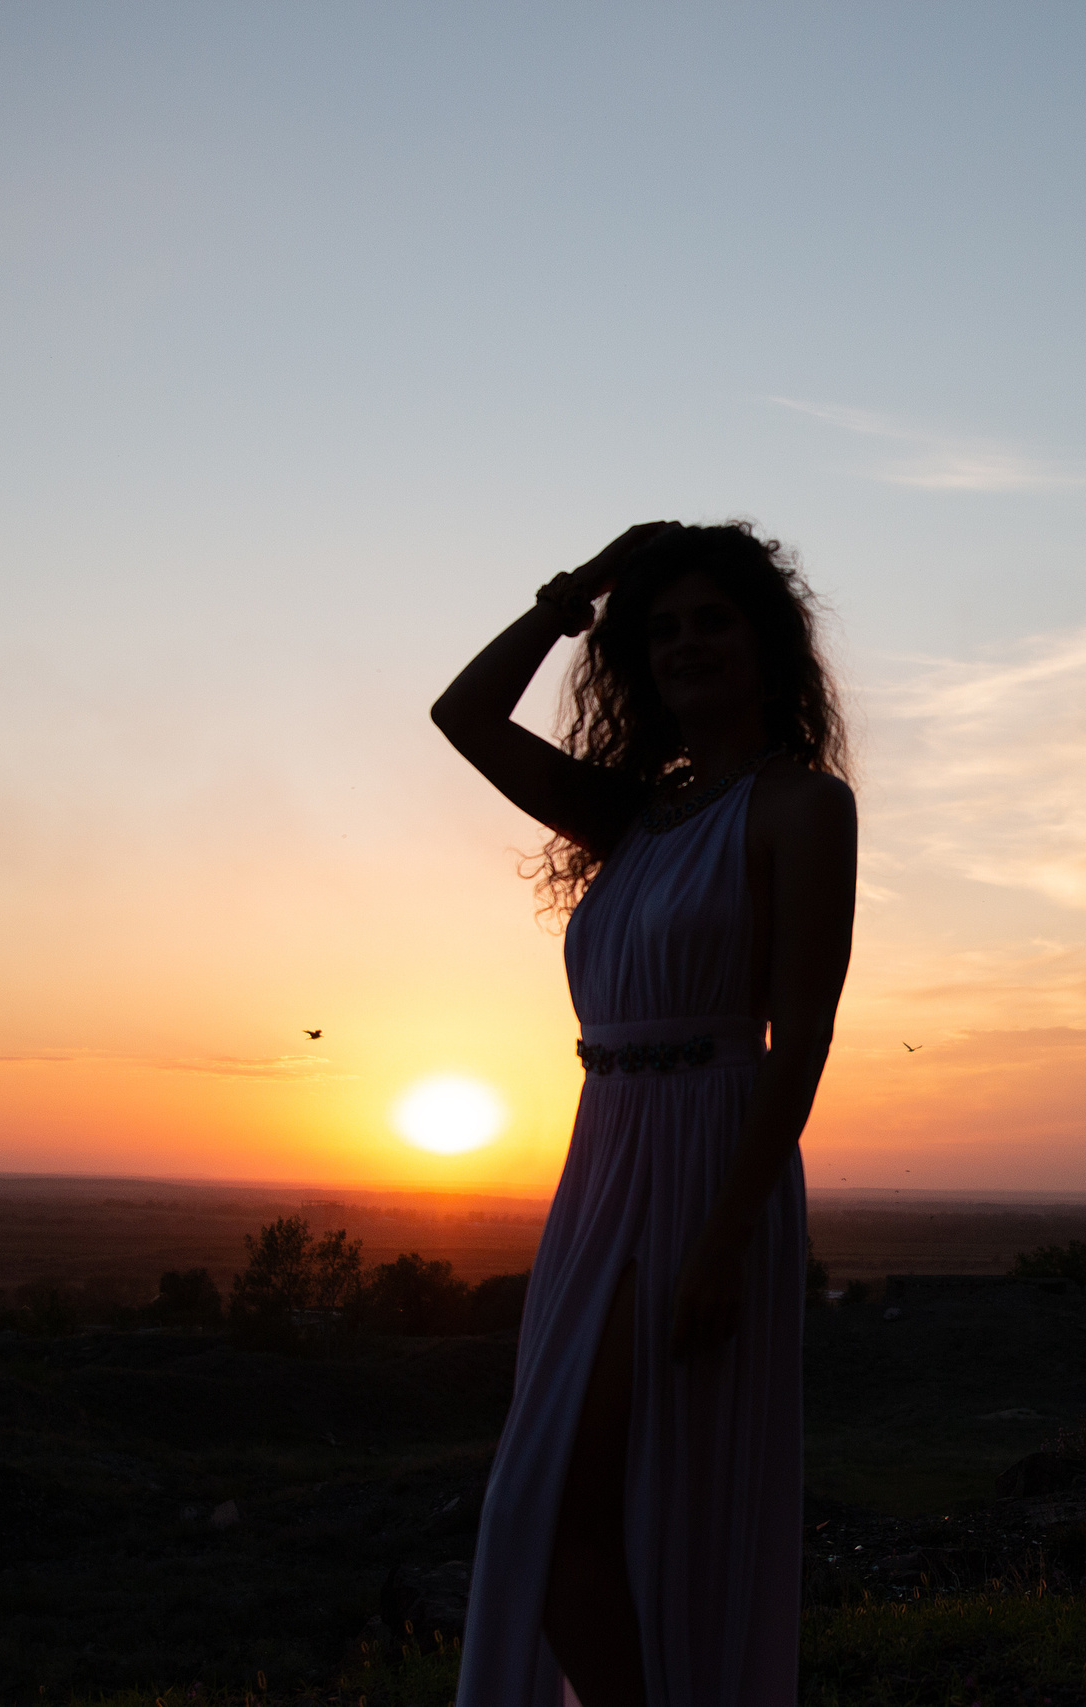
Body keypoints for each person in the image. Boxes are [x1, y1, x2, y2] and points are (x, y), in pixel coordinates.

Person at [431, 520, 857, 1707]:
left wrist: (723, 1239)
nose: (684, 644)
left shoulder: (801, 808)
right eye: (661, 629)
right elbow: (461, 717)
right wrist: (586, 584)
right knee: (559, 1503)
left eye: (712, 619)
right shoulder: (635, 819)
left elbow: (804, 1038)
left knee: (578, 1493)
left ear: (767, 642)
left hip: (710, 1167)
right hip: (605, 1162)